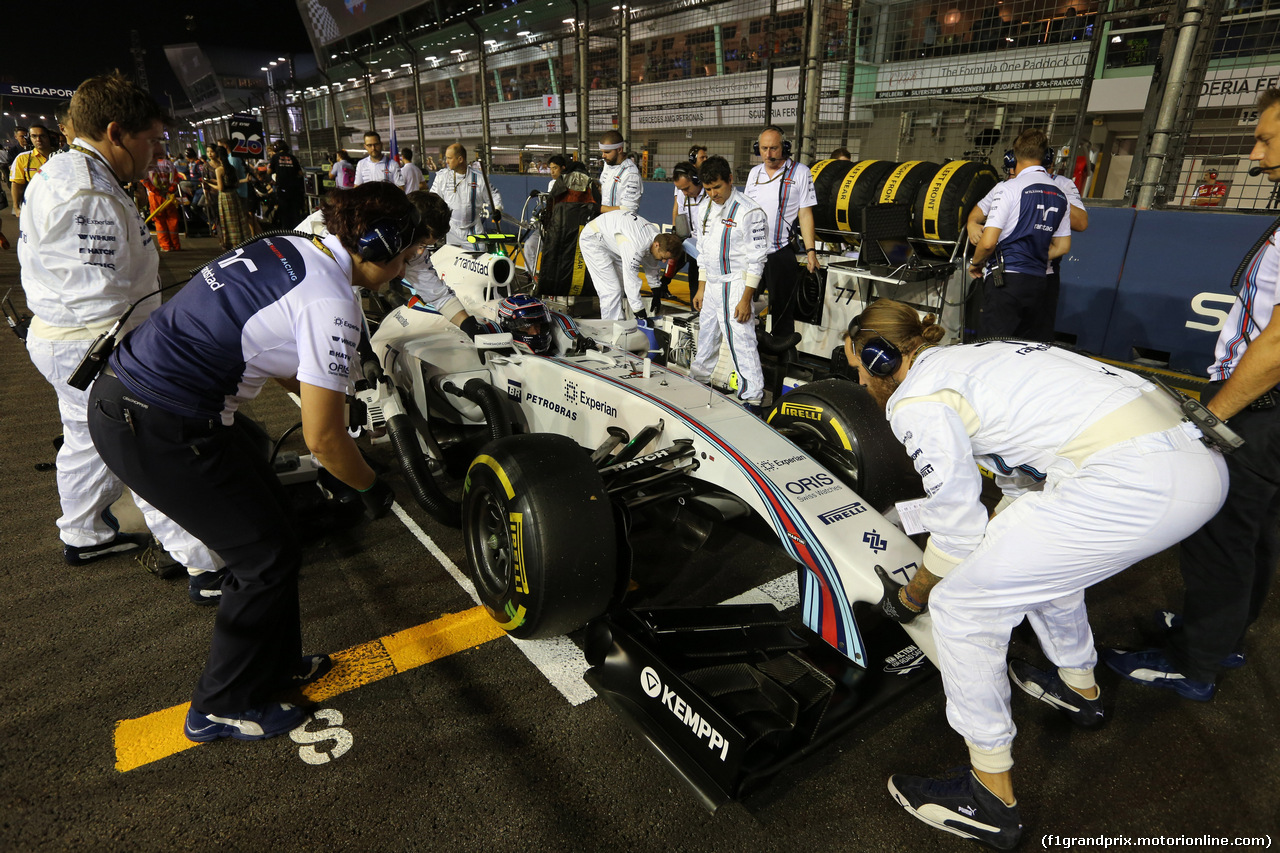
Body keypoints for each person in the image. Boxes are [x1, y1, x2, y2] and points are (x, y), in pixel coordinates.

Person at [848, 299, 1228, 850]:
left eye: (859, 368)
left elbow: (956, 532)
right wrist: (984, 545)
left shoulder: (916, 401)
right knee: (1035, 559)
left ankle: (988, 795)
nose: (860, 381)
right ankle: (1081, 688)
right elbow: (1018, 482)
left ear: (881, 359)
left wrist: (912, 597)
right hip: (1194, 461)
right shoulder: (972, 360)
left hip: (1138, 481)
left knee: (962, 608)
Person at [87, 181, 429, 742]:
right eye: (405, 255)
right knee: (262, 558)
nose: (401, 269)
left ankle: (277, 665)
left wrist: (323, 381)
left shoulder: (290, 246)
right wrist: (370, 487)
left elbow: (264, 342)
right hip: (156, 423)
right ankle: (221, 704)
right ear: (378, 245)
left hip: (141, 400)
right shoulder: (332, 301)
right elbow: (322, 439)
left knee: (278, 533)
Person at [1105, 89, 1280, 702]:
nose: (1256, 155)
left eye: (1266, 139)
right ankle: (1223, 633)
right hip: (1268, 414)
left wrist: (1212, 415)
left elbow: (1278, 342)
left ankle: (1195, 662)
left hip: (1260, 411)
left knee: (1221, 533)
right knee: (1256, 533)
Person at [18, 71, 222, 592]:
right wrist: (147, 355)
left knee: (86, 439)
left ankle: (84, 533)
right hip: (95, 341)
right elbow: (100, 297)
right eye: (151, 140)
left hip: (62, 337)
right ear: (116, 132)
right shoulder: (91, 193)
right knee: (147, 443)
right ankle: (205, 565)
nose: (156, 152)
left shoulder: (61, 171)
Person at [968, 142, 1088, 342]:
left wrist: (1046, 191)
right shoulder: (1007, 186)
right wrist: (972, 224)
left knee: (1025, 341)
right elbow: (977, 212)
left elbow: (1082, 223)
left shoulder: (1061, 186)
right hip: (1024, 272)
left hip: (1039, 273)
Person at [691, 155, 770, 408]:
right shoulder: (703, 208)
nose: (713, 194)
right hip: (711, 285)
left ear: (730, 181)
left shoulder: (750, 211)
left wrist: (746, 299)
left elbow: (757, 260)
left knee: (741, 341)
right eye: (708, 189)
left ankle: (753, 397)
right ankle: (697, 382)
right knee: (706, 338)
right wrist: (701, 288)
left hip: (736, 284)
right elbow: (702, 252)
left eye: (717, 187)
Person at [744, 125, 819, 346]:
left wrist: (811, 250)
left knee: (782, 310)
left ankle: (782, 355)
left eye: (774, 148)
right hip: (752, 252)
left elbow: (805, 214)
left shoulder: (801, 172)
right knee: (743, 303)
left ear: (784, 147)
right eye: (764, 148)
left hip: (779, 251)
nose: (768, 154)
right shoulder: (754, 173)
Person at [578, 210, 684, 320]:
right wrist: (639, 312)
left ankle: (620, 324)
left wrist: (656, 289)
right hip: (593, 240)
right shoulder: (636, 245)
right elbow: (631, 279)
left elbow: (651, 264)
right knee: (611, 290)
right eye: (663, 258)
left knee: (621, 286)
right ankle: (612, 328)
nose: (663, 262)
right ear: (657, 245)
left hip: (612, 239)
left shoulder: (656, 237)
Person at [402, 190, 480, 335]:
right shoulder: (359, 236)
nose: (420, 252)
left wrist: (470, 327)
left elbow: (438, 294)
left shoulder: (416, 252)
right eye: (419, 243)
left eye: (425, 246)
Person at [429, 143, 503, 247]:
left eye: (449, 158)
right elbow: (432, 198)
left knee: (478, 261)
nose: (446, 161)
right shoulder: (442, 177)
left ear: (460, 159)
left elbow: (494, 195)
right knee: (452, 261)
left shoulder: (479, 178)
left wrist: (497, 209)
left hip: (473, 230)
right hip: (451, 230)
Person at [670, 160, 710, 302]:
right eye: (681, 190)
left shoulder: (710, 193)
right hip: (695, 248)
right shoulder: (683, 195)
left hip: (711, 248)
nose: (684, 193)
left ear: (697, 180)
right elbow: (682, 217)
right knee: (695, 285)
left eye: (687, 188)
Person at [208, 146, 253, 249]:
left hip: (224, 198)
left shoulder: (219, 170)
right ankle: (240, 242)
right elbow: (236, 184)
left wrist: (209, 183)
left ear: (218, 156)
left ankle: (232, 244)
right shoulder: (231, 168)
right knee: (237, 220)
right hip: (234, 196)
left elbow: (220, 187)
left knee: (228, 222)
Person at [140, 155, 182, 252]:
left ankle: (166, 246)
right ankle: (176, 245)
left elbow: (144, 180)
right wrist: (169, 191)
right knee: (172, 220)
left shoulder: (147, 164)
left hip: (155, 197)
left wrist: (157, 191)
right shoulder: (168, 164)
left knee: (159, 221)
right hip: (169, 196)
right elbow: (175, 179)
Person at [10, 123, 55, 213]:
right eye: (34, 136)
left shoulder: (59, 156)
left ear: (49, 137)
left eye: (42, 136)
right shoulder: (23, 158)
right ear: (29, 139)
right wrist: (16, 207)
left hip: (56, 204)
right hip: (33, 206)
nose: (38, 139)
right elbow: (17, 184)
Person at [598, 130, 642, 214]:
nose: (603, 156)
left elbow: (628, 209)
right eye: (602, 152)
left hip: (621, 224)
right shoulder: (607, 164)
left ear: (619, 150)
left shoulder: (631, 174)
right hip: (605, 221)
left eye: (607, 152)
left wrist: (599, 209)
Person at [269, 140, 306, 228]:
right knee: (295, 213)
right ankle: (297, 231)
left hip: (282, 189)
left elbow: (269, 171)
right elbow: (300, 173)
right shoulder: (292, 157)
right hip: (294, 189)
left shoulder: (275, 157)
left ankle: (287, 233)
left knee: (285, 214)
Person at [2, 126, 31, 210]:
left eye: (26, 136)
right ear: (16, 137)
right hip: (21, 184)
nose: (25, 138)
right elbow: (12, 168)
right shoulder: (13, 151)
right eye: (22, 136)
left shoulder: (35, 149)